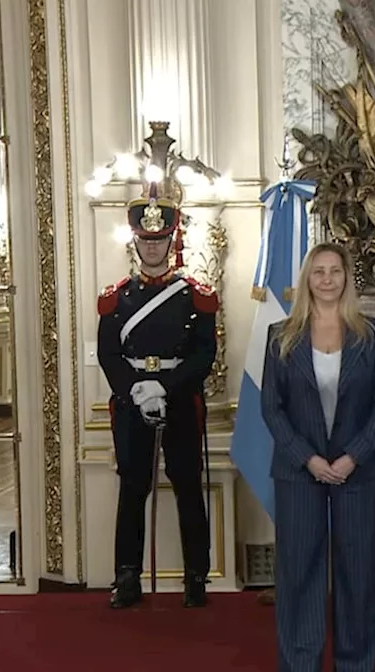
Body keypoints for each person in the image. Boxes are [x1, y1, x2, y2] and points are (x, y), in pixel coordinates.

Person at [260, 243, 375, 672]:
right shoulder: (281, 335)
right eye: (318, 272)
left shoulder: (372, 333)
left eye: (335, 271)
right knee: (300, 573)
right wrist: (308, 459)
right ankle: (301, 661)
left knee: (358, 575)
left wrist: (353, 457)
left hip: (360, 470)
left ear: (346, 277)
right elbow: (271, 407)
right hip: (300, 472)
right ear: (307, 280)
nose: (327, 280)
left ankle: (356, 662)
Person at [97, 192, 217, 609]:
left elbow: (205, 354)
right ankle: (126, 576)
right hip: (132, 401)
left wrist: (164, 386)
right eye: (145, 240)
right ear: (135, 242)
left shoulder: (195, 296)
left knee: (187, 487)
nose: (152, 246)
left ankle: (195, 576)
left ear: (172, 241)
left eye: (160, 239)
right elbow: (108, 354)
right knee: (132, 488)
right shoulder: (116, 299)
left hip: (180, 399)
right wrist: (137, 388)